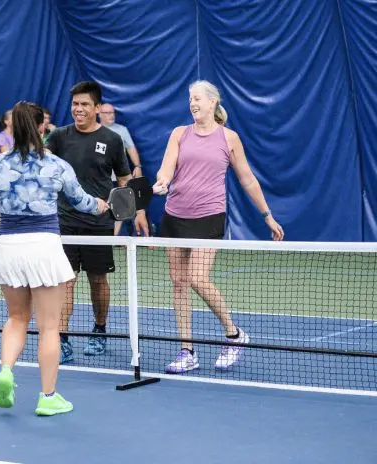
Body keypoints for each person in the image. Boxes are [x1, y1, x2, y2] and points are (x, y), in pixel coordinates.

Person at [0, 101, 107, 416]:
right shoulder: (56, 165)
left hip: (8, 248)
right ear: (41, 127)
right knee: (49, 327)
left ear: (13, 127)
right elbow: (81, 202)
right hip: (44, 246)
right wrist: (103, 206)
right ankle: (48, 397)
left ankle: (6, 372)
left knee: (16, 319)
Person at [152, 80, 284, 374]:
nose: (193, 103)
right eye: (190, 99)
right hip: (174, 216)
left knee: (197, 278)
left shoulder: (229, 138)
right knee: (178, 283)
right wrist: (162, 181)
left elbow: (247, 179)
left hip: (209, 216)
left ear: (213, 102)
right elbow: (167, 167)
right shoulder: (179, 134)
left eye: (197, 98)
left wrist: (267, 216)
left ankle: (234, 334)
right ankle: (187, 351)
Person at [46, 81, 148, 364]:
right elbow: (39, 165)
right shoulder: (58, 136)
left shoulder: (113, 140)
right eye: (75, 104)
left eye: (84, 105)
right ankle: (62, 338)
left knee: (98, 280)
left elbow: (125, 180)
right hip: (64, 222)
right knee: (66, 282)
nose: (78, 109)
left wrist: (137, 211)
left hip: (99, 224)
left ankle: (99, 329)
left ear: (97, 108)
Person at [98, 103, 143, 236]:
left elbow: (131, 148)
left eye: (112, 112)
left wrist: (137, 166)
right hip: (100, 177)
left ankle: (113, 237)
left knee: (119, 207)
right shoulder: (94, 130)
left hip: (119, 178)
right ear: (99, 114)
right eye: (107, 113)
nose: (111, 115)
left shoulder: (122, 130)